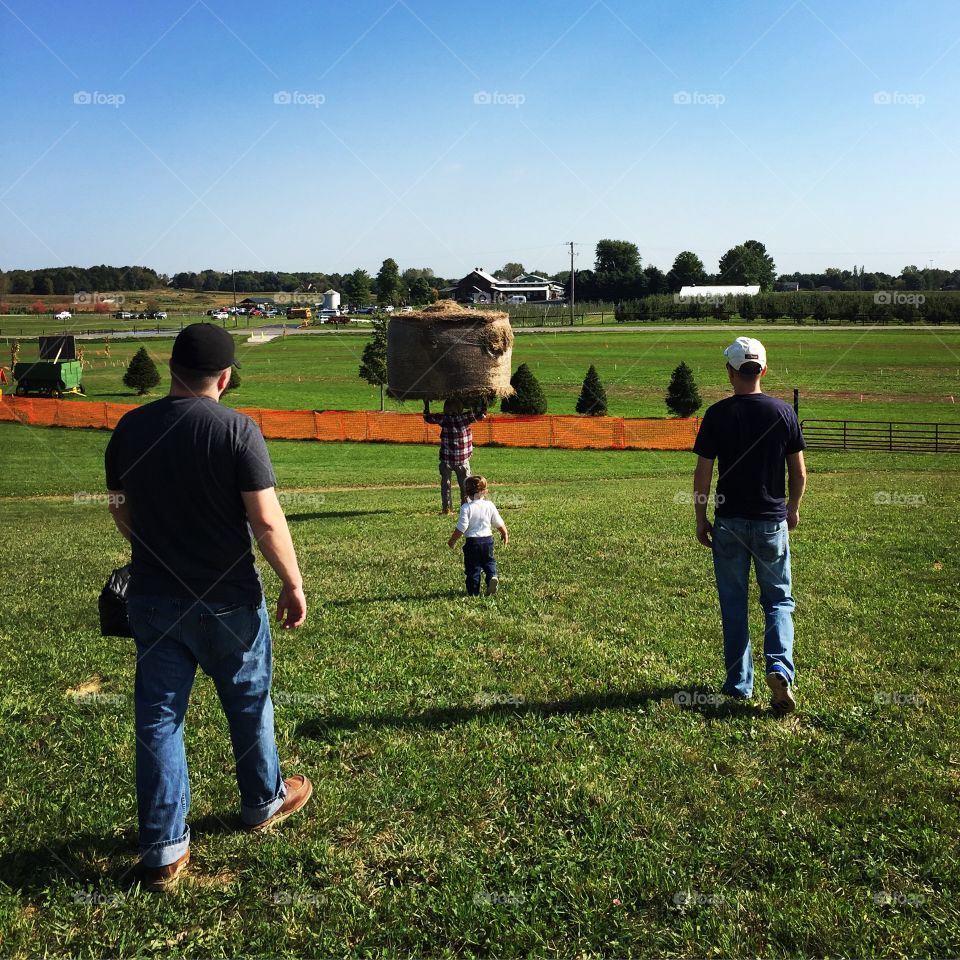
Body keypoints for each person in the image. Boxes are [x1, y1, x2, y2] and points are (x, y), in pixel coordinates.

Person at [104, 323, 312, 891]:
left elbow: (118, 503)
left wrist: (146, 542)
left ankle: (165, 851)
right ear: (224, 377)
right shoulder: (238, 430)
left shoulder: (129, 427)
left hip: (152, 596)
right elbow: (265, 521)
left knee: (159, 717)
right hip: (229, 599)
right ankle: (262, 802)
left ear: (171, 369)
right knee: (248, 702)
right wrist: (293, 583)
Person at [691, 336, 807, 714]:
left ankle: (739, 682)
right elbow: (799, 472)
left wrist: (700, 517)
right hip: (771, 521)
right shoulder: (784, 413)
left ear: (730, 371)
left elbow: (703, 473)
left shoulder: (717, 414)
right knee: (778, 600)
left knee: (733, 602)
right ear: (764, 370)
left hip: (729, 522)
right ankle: (779, 667)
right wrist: (792, 507)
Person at [423, 398, 486, 514]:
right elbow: (481, 415)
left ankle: (446, 509)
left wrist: (426, 404)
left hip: (446, 460)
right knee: (466, 486)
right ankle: (466, 508)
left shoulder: (444, 419)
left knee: (445, 485)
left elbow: (428, 417)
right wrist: (483, 402)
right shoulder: (464, 418)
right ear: (460, 408)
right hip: (462, 461)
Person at [448, 475, 508, 596]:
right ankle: (492, 576)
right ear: (485, 491)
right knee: (489, 561)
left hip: (473, 542)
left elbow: (462, 526)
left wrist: (453, 540)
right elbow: (498, 521)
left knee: (473, 567)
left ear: (466, 492)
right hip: (488, 541)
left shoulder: (466, 508)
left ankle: (473, 592)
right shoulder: (489, 505)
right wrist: (504, 533)